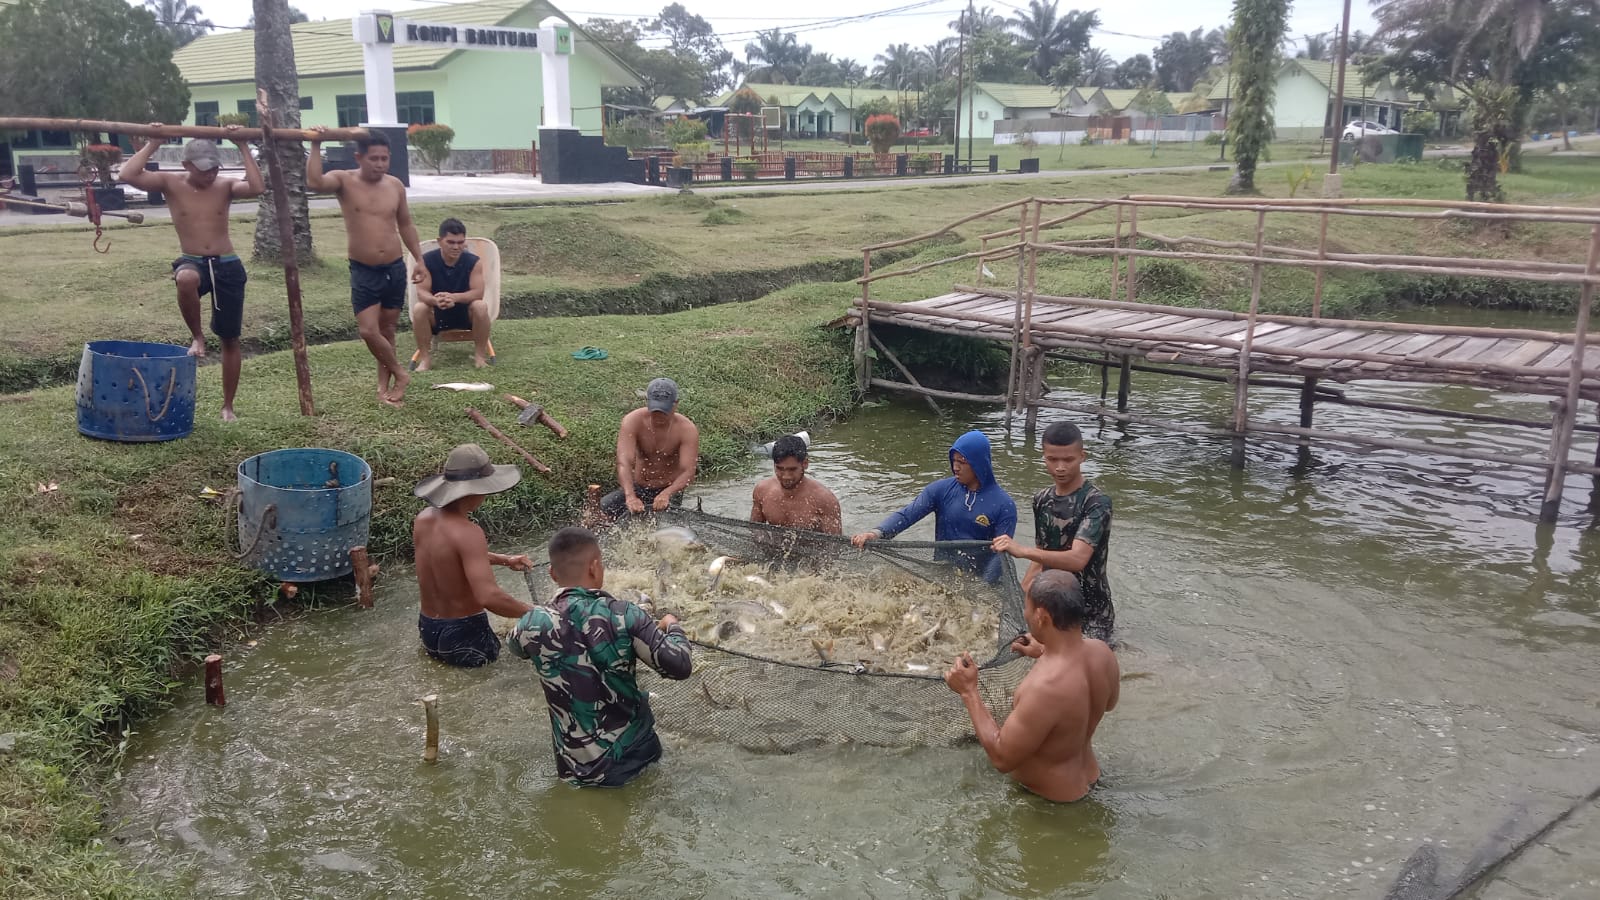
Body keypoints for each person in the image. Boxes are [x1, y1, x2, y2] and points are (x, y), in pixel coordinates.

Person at [507, 526, 693, 787]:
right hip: (632, 760)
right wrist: (673, 627)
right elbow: (680, 666)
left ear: (551, 573)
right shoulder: (626, 615)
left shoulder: (531, 624)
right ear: (595, 567)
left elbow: (515, 647)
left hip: (573, 769)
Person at [119, 128, 264, 421]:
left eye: (213, 168)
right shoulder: (170, 183)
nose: (209, 174)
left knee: (230, 339)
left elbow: (257, 187)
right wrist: (154, 143)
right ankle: (197, 337)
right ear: (186, 166)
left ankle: (228, 406)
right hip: (193, 260)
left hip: (227, 263)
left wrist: (243, 146)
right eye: (203, 169)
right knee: (185, 279)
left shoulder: (224, 186)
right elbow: (127, 174)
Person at [944, 570, 1119, 803]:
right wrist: (1045, 651)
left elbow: (1001, 758)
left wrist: (968, 691)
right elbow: (1108, 704)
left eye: (1027, 608)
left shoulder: (1046, 687)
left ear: (1041, 616)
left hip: (1051, 805)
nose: (1025, 615)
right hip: (1091, 780)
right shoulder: (1102, 653)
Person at [307, 128, 426, 408]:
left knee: (388, 330)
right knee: (368, 330)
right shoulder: (343, 180)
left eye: (385, 158)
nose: (380, 164)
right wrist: (315, 144)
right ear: (359, 157)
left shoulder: (395, 185)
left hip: (394, 267)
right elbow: (313, 182)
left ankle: (384, 389)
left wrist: (419, 258)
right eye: (374, 158)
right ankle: (400, 372)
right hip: (364, 269)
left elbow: (406, 223)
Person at [411, 443, 536, 667]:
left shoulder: (423, 519)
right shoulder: (469, 532)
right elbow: (489, 597)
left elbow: (448, 557)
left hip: (429, 628)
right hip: (465, 633)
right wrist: (536, 613)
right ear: (475, 490)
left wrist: (504, 560)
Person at [991, 421, 1115, 642]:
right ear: (1043, 457)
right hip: (1051, 608)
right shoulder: (1042, 499)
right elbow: (1041, 557)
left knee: (1085, 671)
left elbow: (1078, 559)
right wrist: (1021, 601)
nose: (1060, 467)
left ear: (1082, 456)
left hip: (1091, 613)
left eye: (1068, 460)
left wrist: (1022, 550)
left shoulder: (1096, 502)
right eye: (1052, 459)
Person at [851, 430, 1017, 581]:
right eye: (953, 460)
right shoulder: (941, 490)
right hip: (942, 573)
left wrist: (982, 589)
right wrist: (875, 534)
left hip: (979, 579)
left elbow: (1000, 555)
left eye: (962, 462)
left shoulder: (1004, 505)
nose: (955, 467)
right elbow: (907, 515)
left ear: (979, 464)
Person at [604, 377, 699, 520]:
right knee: (600, 512)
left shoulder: (687, 429)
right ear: (647, 402)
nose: (659, 415)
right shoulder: (632, 421)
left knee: (662, 528)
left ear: (675, 404)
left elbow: (688, 472)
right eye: (655, 410)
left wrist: (667, 493)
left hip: (669, 490)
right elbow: (624, 462)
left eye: (664, 411)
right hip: (639, 487)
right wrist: (630, 496)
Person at [411, 217, 490, 370]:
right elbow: (422, 292)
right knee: (419, 308)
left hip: (465, 313)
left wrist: (455, 297)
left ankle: (480, 357)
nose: (456, 247)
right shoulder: (426, 261)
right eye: (451, 242)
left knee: (480, 306)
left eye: (460, 243)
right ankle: (425, 359)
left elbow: (478, 293)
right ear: (440, 241)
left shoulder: (474, 262)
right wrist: (435, 301)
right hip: (437, 314)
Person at [750, 435, 842, 534]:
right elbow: (755, 529)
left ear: (805, 463)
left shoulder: (825, 501)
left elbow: (835, 544)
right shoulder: (763, 491)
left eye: (792, 469)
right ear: (774, 465)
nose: (786, 476)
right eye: (780, 469)